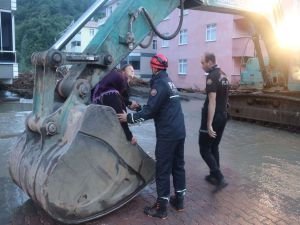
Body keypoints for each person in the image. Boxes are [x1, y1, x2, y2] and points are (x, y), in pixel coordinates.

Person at [117, 53, 186, 219]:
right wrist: (139, 108)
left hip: (167, 134)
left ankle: (161, 208)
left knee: (162, 169)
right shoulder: (169, 82)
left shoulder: (159, 85)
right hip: (179, 131)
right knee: (178, 165)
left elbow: (152, 110)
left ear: (154, 67)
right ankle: (180, 201)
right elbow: (159, 108)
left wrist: (130, 117)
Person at [198, 52, 229, 193]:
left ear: (210, 62)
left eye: (203, 62)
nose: (202, 65)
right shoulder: (223, 75)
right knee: (214, 146)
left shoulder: (211, 77)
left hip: (213, 117)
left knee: (204, 149)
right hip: (223, 115)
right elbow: (225, 97)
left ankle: (220, 178)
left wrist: (209, 124)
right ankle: (213, 175)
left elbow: (212, 101)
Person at [91, 69, 137, 145]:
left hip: (98, 129)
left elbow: (118, 99)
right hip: (110, 133)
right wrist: (130, 137)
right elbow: (120, 117)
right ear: (119, 81)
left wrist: (129, 103)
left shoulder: (99, 90)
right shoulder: (112, 94)